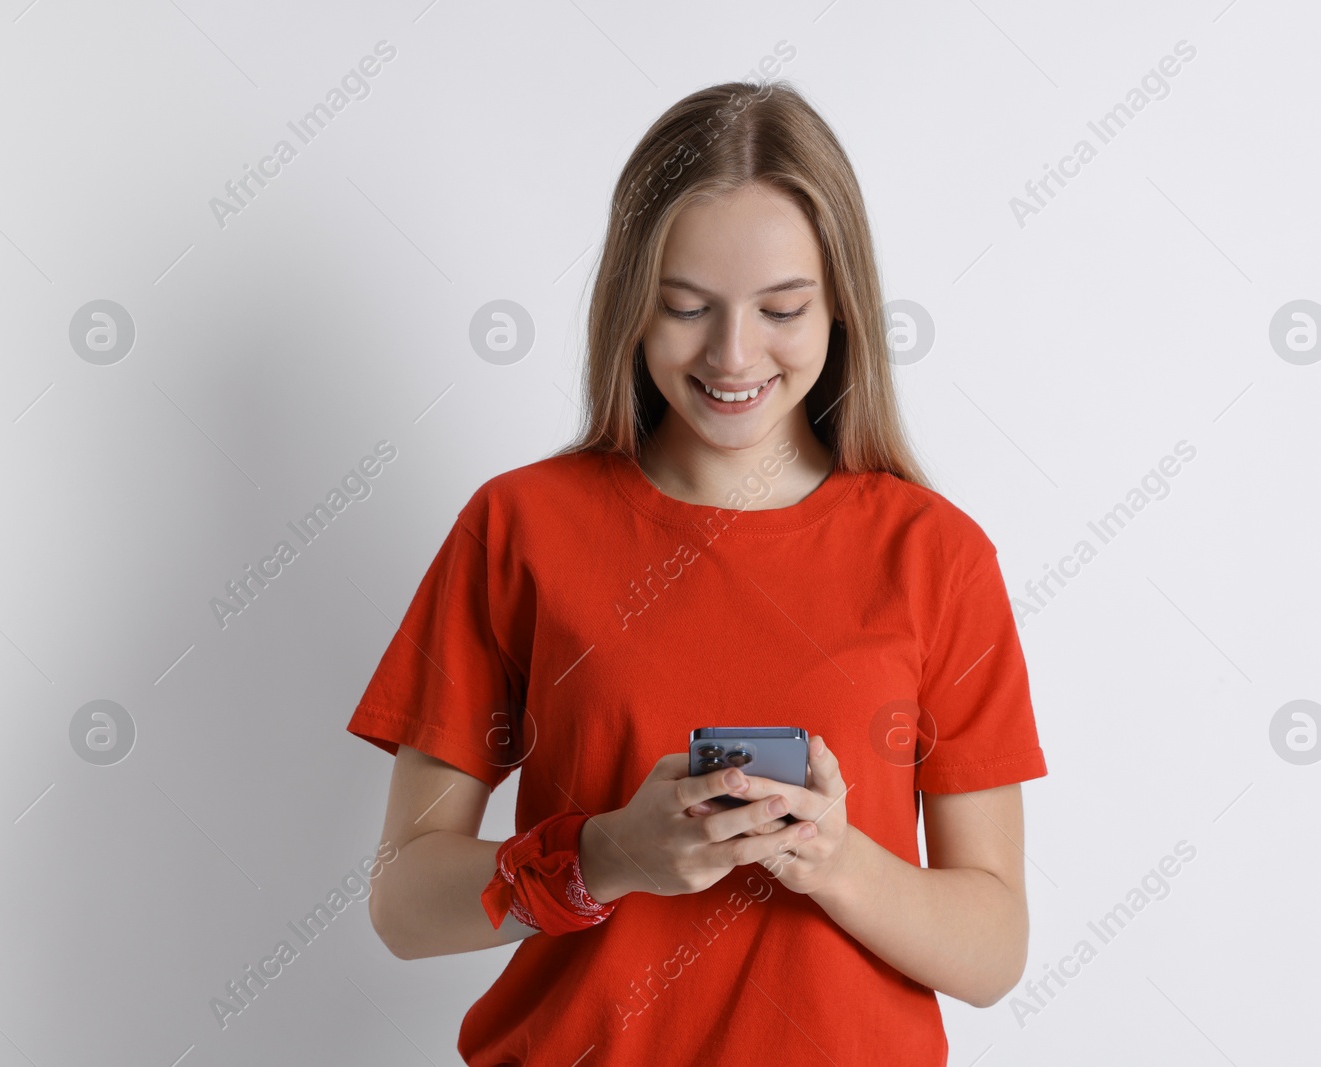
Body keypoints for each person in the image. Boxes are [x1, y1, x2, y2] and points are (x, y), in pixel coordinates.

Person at [346, 78, 1048, 1066]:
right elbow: (406, 903)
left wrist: (834, 860)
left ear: (841, 305)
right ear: (631, 304)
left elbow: (992, 949)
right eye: (685, 307)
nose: (732, 353)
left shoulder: (935, 554)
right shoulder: (518, 526)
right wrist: (606, 855)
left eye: (780, 308)